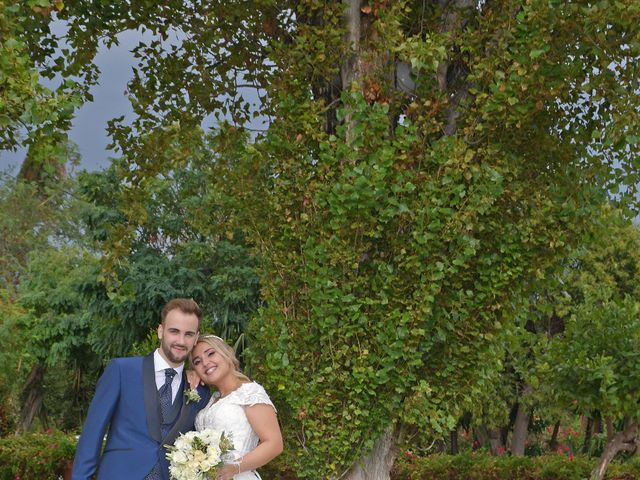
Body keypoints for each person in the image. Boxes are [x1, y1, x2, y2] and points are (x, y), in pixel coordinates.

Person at [72, 298, 211, 480]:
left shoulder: (200, 391)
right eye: (174, 331)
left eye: (188, 334)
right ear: (160, 331)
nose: (181, 340)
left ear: (195, 338)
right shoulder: (121, 371)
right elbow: (92, 434)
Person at [190, 335, 283, 480]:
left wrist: (234, 468)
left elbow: (274, 444)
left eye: (210, 353)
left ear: (226, 353)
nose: (206, 363)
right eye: (197, 362)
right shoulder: (211, 400)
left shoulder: (249, 392)